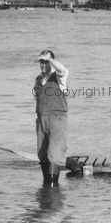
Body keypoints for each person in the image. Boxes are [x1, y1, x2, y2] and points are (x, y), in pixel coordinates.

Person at [34, 50, 69, 187]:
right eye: (41, 62)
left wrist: (49, 59)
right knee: (42, 154)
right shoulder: (38, 80)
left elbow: (63, 70)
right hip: (41, 119)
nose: (43, 65)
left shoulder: (59, 77)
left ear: (52, 63)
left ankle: (53, 187)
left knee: (55, 154)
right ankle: (46, 184)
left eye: (46, 62)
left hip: (57, 119)